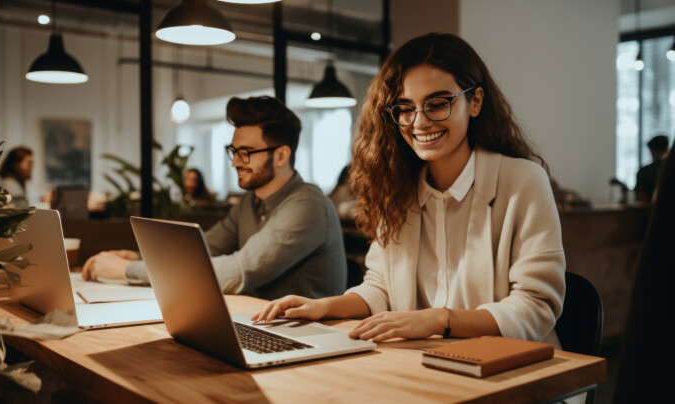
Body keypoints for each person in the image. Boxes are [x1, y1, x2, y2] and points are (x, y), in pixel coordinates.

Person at [254, 33, 566, 346]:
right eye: (405, 108)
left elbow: (536, 307)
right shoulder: (397, 187)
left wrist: (437, 319)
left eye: (437, 103)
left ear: (476, 102)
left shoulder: (523, 181)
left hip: (516, 370)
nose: (419, 123)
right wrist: (323, 307)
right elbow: (381, 287)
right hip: (425, 364)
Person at [83, 96, 347, 300]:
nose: (235, 163)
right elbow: (201, 250)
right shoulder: (249, 203)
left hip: (307, 340)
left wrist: (126, 271)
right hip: (259, 325)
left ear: (280, 155)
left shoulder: (307, 205)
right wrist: (138, 258)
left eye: (246, 152)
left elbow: (237, 272)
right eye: (234, 151)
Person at [635, 134, 669, 203]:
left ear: (652, 151)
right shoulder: (670, 168)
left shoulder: (644, 171)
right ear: (667, 149)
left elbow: (641, 198)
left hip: (651, 212)